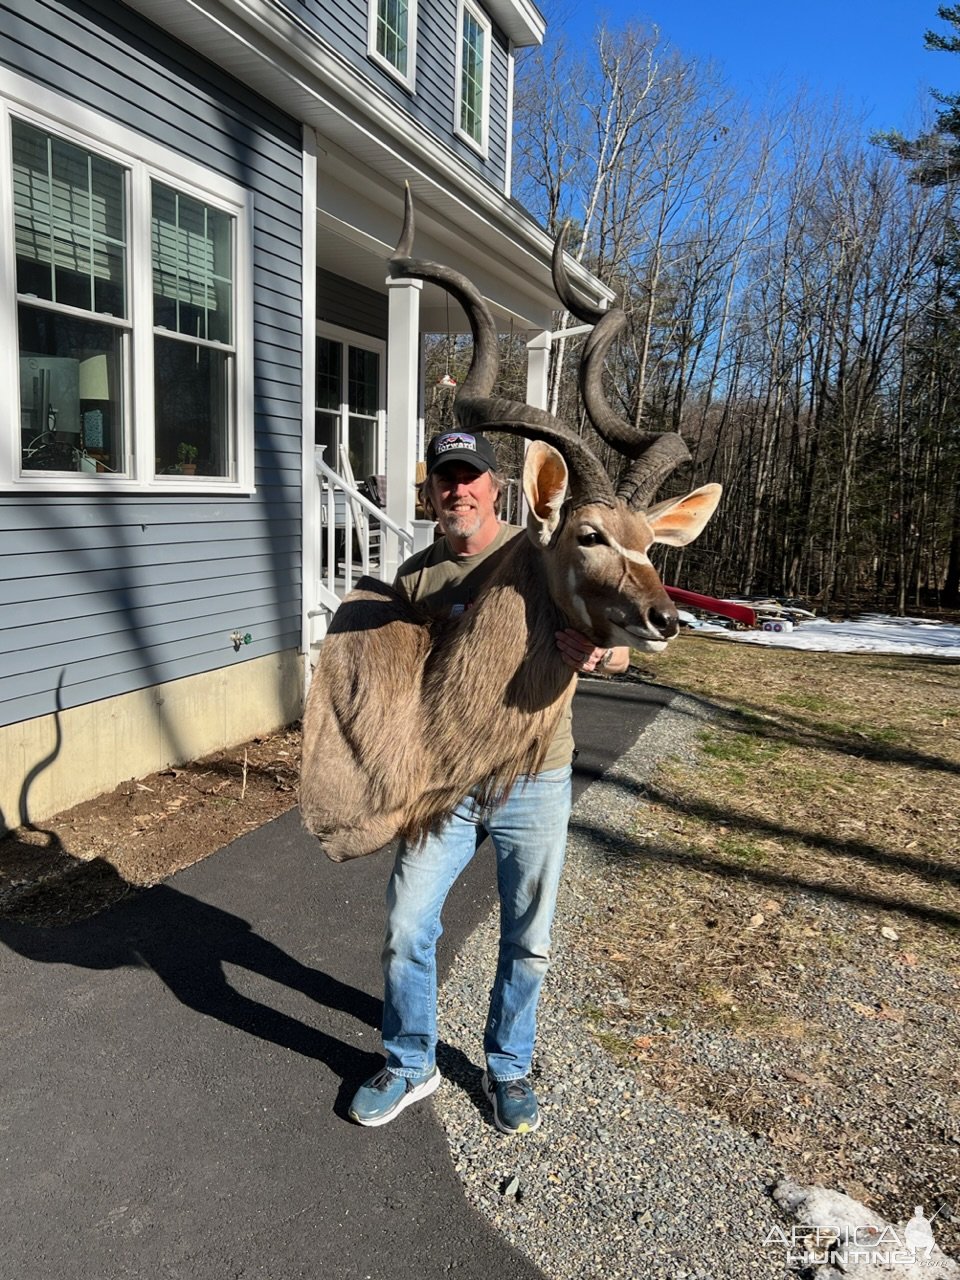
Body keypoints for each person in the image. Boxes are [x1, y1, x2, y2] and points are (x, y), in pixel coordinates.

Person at [348, 430, 629, 1134]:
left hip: (534, 778)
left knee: (527, 938)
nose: (458, 490)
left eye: (470, 477)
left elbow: (618, 617)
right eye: (445, 478)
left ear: (497, 488)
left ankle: (507, 1068)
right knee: (407, 924)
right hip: (446, 783)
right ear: (430, 492)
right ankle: (411, 1063)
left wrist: (604, 654)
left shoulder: (541, 548)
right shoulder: (415, 579)